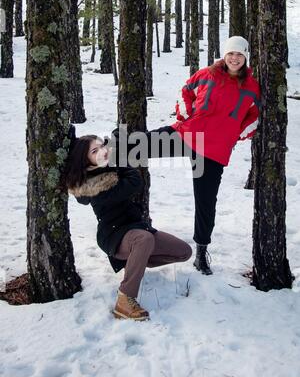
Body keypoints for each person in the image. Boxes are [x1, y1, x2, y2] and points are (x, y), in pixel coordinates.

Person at [112, 36, 261, 275]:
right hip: (190, 134)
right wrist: (187, 116)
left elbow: (253, 119)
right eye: (231, 53)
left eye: (240, 55)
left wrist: (233, 135)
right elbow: (186, 92)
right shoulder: (206, 74)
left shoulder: (252, 87)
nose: (234, 58)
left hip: (214, 151)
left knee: (205, 202)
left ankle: (201, 253)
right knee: (141, 145)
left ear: (246, 58)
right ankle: (99, 154)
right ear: (225, 54)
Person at [64, 134, 192, 321]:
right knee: (144, 240)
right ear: (86, 160)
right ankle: (125, 300)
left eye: (102, 146)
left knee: (184, 252)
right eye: (94, 151)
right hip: (114, 235)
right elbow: (134, 182)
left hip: (137, 229)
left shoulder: (110, 168)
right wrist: (118, 159)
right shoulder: (93, 186)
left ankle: (136, 261)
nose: (102, 151)